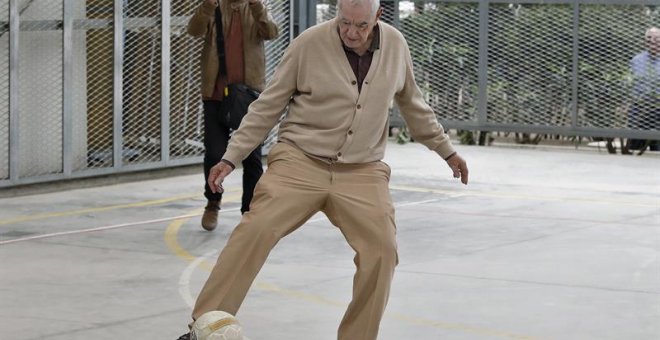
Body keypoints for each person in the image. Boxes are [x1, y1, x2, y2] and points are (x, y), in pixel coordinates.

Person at [177, 0, 468, 339]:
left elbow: (413, 105)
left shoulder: (395, 46)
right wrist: (231, 157)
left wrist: (446, 152)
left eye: (360, 25)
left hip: (362, 169)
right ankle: (204, 326)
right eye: (344, 22)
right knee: (255, 230)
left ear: (378, 17)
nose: (351, 32)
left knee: (383, 251)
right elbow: (268, 105)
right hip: (299, 160)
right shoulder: (309, 44)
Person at [187, 0, 278, 231]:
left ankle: (250, 212)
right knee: (215, 153)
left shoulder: (257, 6)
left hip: (248, 95)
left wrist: (257, 6)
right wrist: (207, 6)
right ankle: (213, 202)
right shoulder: (215, 5)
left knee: (252, 158)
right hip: (216, 94)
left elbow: (271, 32)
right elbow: (194, 30)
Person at [625, 27, 660, 155]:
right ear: (645, 41)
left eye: (656, 38)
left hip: (658, 109)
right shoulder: (636, 60)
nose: (653, 41)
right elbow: (628, 83)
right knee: (635, 147)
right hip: (638, 109)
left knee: (657, 151)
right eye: (649, 38)